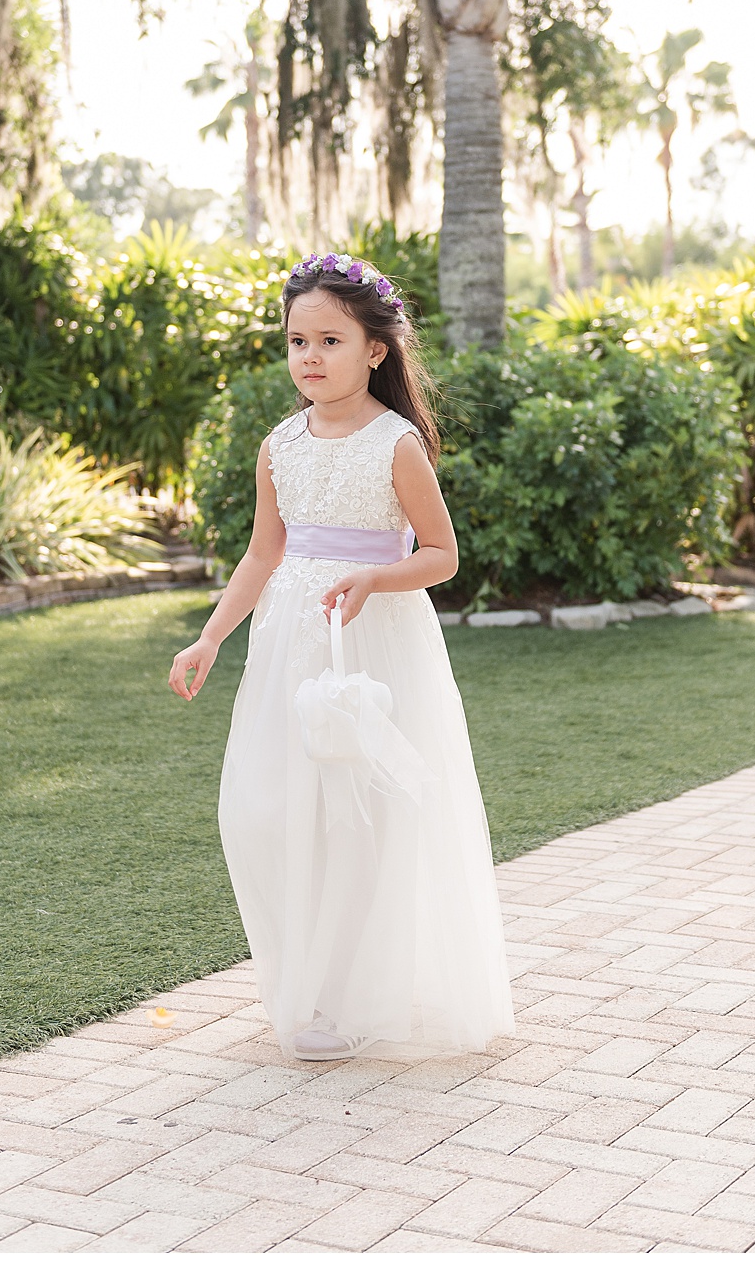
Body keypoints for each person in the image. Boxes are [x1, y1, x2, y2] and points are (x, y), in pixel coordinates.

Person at [170, 252, 515, 1063]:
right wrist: (211, 635)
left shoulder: (396, 445)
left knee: (359, 817)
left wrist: (376, 576)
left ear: (375, 350)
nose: (310, 357)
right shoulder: (279, 444)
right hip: (290, 642)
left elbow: (442, 556)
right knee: (268, 810)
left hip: (376, 642)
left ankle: (345, 997)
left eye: (330, 338)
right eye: (297, 341)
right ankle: (307, 979)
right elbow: (262, 556)